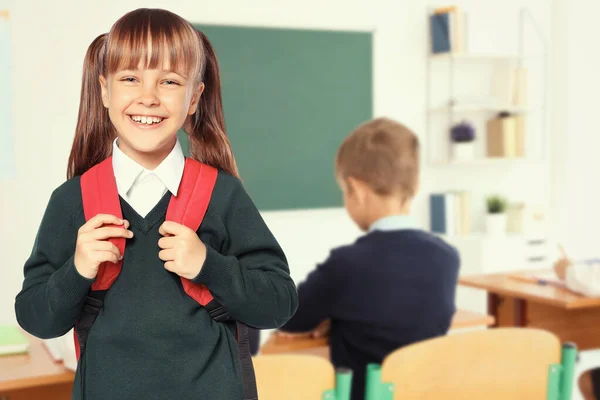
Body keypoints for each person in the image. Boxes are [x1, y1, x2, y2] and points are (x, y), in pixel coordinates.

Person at [14, 8, 297, 400]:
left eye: (169, 81)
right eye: (130, 78)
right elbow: (36, 318)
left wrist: (208, 266)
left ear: (194, 98)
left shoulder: (223, 195)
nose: (147, 97)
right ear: (104, 91)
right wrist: (77, 269)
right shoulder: (72, 201)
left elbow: (278, 303)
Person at [277, 117, 460, 400]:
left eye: (344, 193)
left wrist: (330, 314)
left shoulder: (346, 265)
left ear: (358, 191)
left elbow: (289, 317)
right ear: (415, 185)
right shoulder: (447, 259)